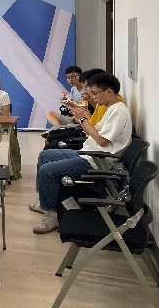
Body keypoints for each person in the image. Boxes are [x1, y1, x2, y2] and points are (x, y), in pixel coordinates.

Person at [32, 73, 132, 233]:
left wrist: (83, 120)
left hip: (97, 160)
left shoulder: (119, 112)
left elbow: (102, 141)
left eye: (95, 93)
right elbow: (94, 131)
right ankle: (44, 200)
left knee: (47, 171)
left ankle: (52, 213)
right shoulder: (111, 109)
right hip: (89, 152)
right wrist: (82, 118)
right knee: (45, 155)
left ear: (109, 91)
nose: (93, 97)